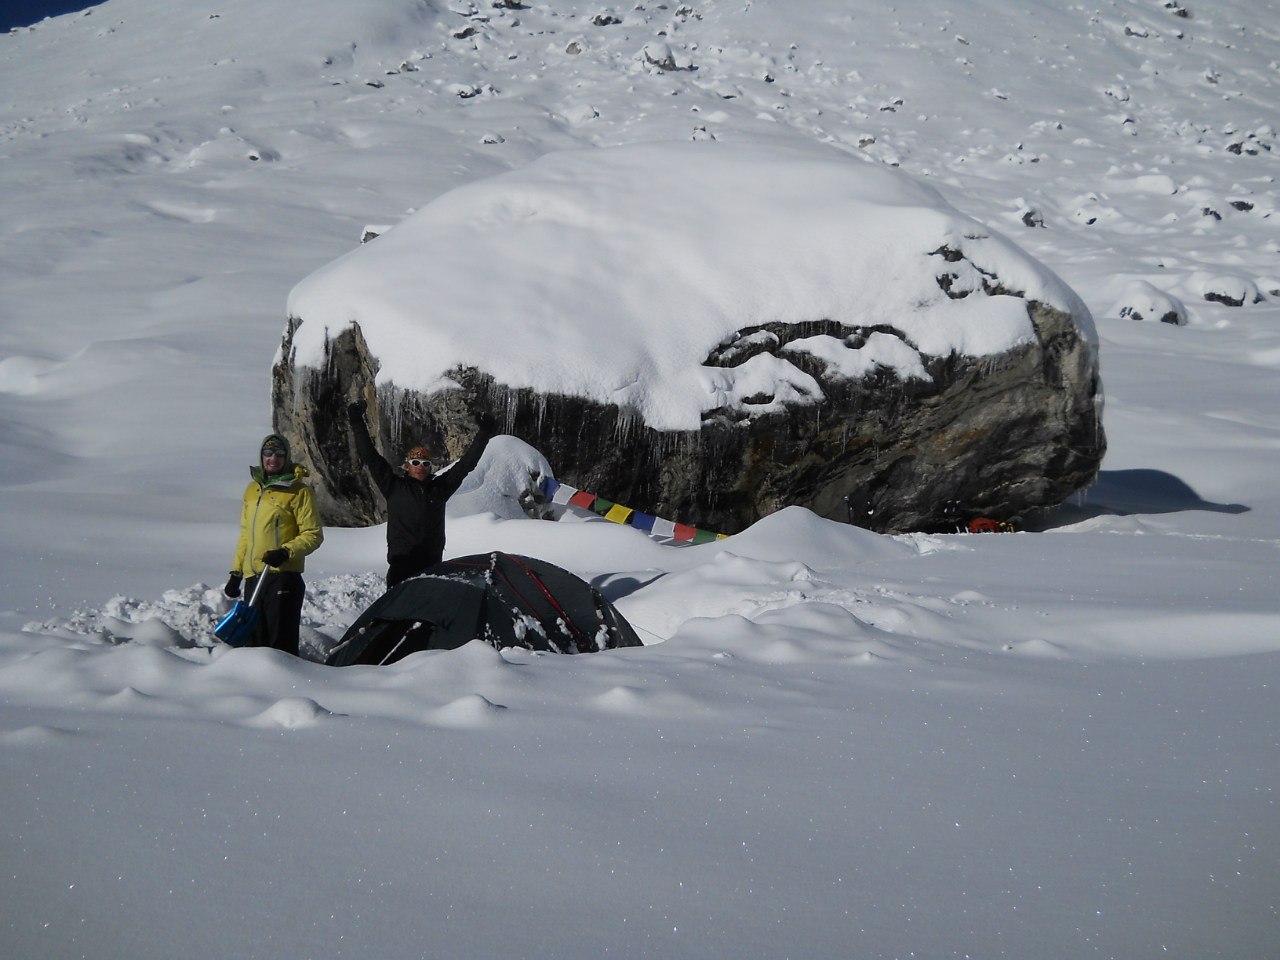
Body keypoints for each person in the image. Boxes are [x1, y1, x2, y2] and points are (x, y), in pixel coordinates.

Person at [347, 397, 492, 588]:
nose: (420, 467)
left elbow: (466, 465)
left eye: (425, 464)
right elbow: (371, 457)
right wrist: (357, 422)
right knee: (396, 614)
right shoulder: (393, 486)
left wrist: (484, 433)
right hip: (401, 565)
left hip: (431, 566)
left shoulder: (440, 488)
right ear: (407, 466)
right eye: (415, 463)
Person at [223, 433, 324, 655]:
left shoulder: (299, 492)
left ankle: (286, 689)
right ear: (261, 457)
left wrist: (285, 552)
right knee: (254, 645)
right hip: (254, 578)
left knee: (280, 647)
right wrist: (236, 573)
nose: (273, 458)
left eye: (279, 453)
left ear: (287, 457)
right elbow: (246, 535)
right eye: (268, 453)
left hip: (282, 577)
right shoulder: (253, 490)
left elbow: (313, 534)